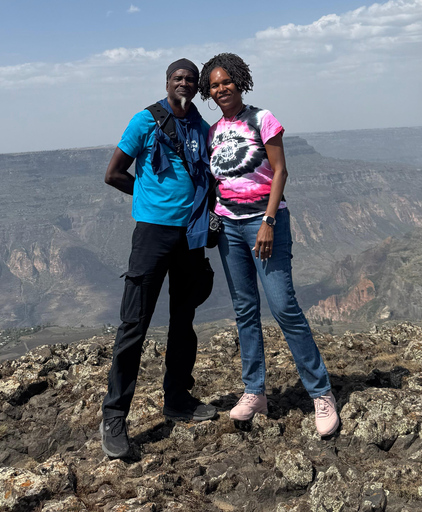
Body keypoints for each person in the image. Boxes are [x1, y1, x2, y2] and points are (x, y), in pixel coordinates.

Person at [197, 53, 340, 437]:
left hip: (264, 224)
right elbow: (217, 182)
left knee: (283, 306)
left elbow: (280, 171)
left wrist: (269, 221)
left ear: (240, 82)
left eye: (227, 81)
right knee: (245, 309)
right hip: (229, 227)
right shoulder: (214, 132)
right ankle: (254, 391)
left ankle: (321, 393)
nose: (221, 88)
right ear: (207, 92)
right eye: (214, 84)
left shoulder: (263, 119)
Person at [100, 58, 218, 459]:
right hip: (152, 235)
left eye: (190, 79)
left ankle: (178, 399)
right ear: (167, 82)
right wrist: (148, 199)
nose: (184, 83)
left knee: (183, 320)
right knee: (135, 324)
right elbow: (114, 173)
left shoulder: (201, 128)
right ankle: (115, 416)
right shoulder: (145, 121)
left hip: (191, 235)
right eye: (177, 78)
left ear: (196, 85)